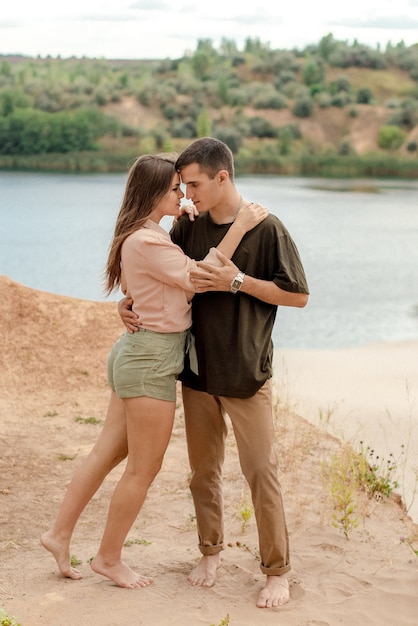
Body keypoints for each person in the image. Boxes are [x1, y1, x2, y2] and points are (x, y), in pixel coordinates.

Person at [40, 153, 268, 589]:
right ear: (151, 194)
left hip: (139, 351)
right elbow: (200, 277)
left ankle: (58, 534)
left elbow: (144, 284)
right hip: (151, 359)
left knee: (107, 452)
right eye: (173, 190)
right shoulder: (148, 242)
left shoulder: (143, 234)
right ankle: (108, 558)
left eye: (184, 189)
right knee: (143, 468)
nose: (182, 195)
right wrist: (239, 225)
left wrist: (179, 213)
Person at [119, 138, 309, 607]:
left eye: (194, 184)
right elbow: (167, 279)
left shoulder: (268, 229)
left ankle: (277, 571)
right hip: (197, 373)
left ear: (222, 176)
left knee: (261, 473)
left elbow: (298, 295)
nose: (187, 195)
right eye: (182, 186)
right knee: (203, 473)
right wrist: (127, 305)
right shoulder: (188, 228)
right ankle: (210, 551)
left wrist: (238, 282)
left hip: (247, 373)